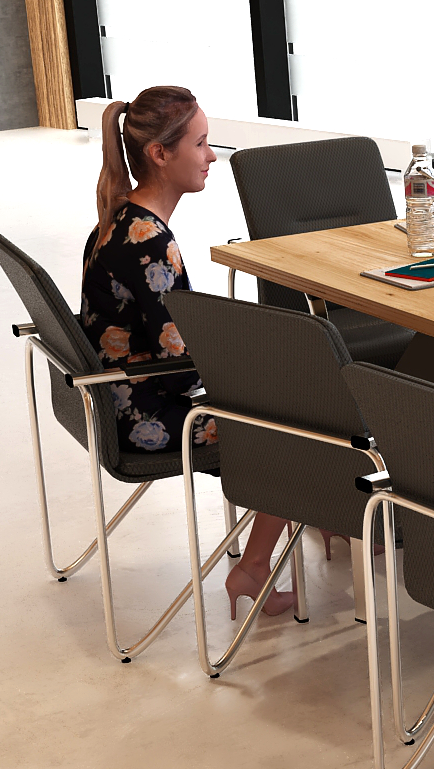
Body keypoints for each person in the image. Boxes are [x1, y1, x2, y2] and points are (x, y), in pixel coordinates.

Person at [83, 87, 297, 619]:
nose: (212, 156)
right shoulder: (151, 241)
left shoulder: (118, 217)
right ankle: (254, 567)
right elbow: (180, 371)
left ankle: (313, 517)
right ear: (160, 153)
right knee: (296, 427)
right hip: (147, 416)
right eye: (200, 144)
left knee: (280, 397)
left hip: (117, 400)